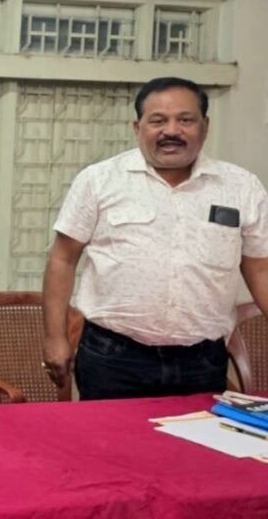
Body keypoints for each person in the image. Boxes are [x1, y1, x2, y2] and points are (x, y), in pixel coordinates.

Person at [42, 76, 268, 400]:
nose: (171, 131)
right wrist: (55, 337)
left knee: (196, 434)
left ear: (205, 126)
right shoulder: (99, 180)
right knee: (108, 435)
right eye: (158, 120)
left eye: (185, 120)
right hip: (113, 358)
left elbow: (260, 269)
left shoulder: (241, 187)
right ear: (138, 127)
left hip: (202, 360)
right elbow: (62, 259)